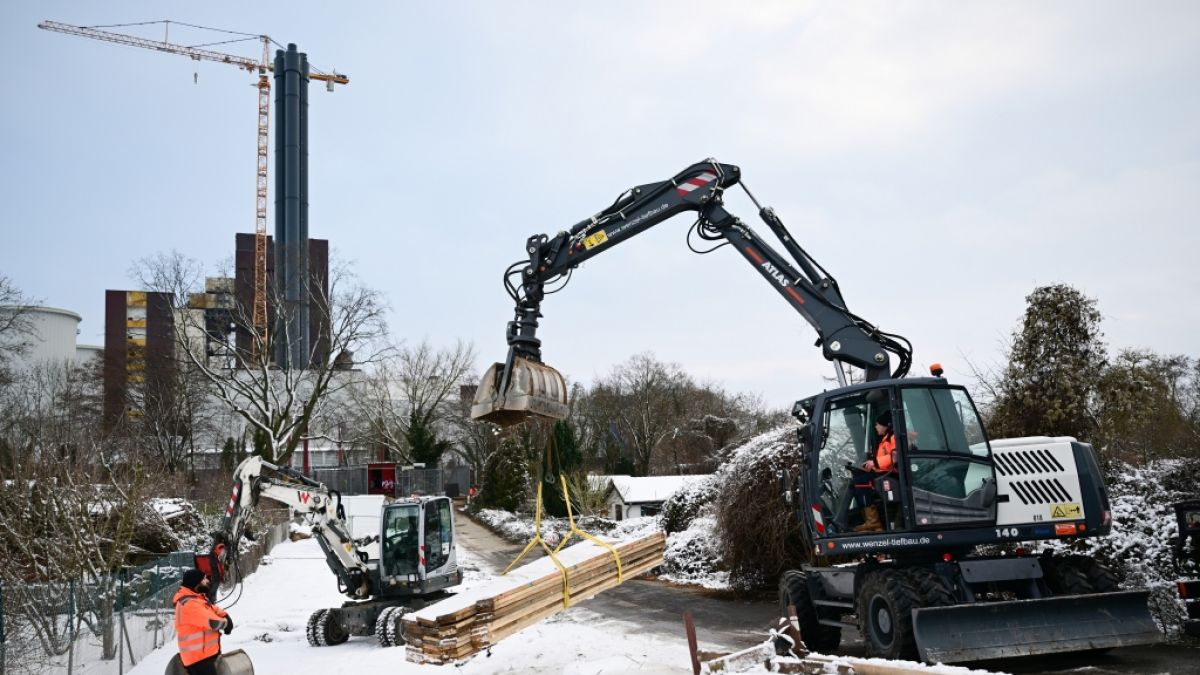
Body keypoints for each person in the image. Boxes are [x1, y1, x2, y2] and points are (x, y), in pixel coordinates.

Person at [173, 569, 233, 675]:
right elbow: (213, 622)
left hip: (205, 656)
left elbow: (211, 608)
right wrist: (226, 623)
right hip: (200, 661)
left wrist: (225, 615)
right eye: (204, 579)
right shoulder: (189, 604)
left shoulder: (195, 599)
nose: (207, 581)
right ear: (196, 582)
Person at [850, 411, 899, 532]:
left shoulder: (894, 437)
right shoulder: (886, 439)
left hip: (894, 476)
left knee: (860, 482)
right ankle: (870, 520)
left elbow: (896, 457)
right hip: (887, 473)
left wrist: (875, 463)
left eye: (878, 424)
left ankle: (873, 522)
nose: (876, 427)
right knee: (857, 480)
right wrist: (872, 467)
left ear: (886, 425)